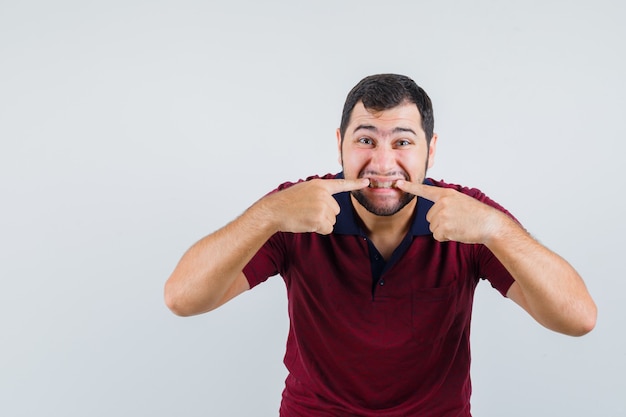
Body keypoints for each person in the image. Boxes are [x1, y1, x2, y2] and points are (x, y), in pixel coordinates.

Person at [164, 74, 597, 416]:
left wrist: (496, 230)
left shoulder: (469, 215)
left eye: (403, 141)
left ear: (432, 149)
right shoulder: (295, 207)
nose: (383, 163)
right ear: (340, 144)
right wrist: (271, 214)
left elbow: (577, 319)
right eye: (366, 139)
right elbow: (183, 298)